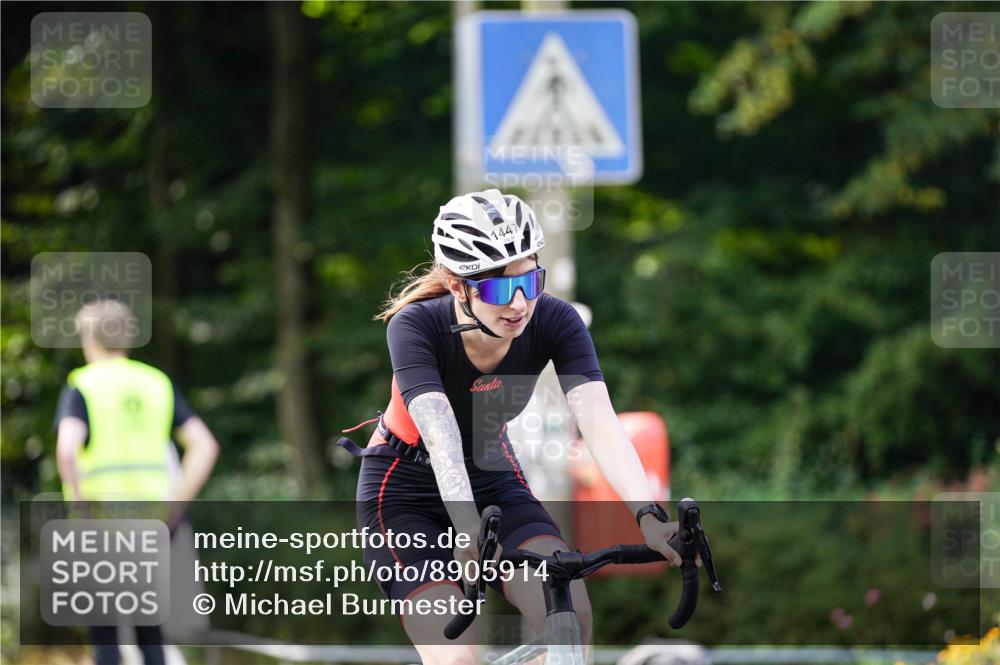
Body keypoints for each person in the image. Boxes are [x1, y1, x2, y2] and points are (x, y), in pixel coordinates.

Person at [341, 189, 682, 665]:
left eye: (532, 280)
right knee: (457, 656)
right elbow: (440, 436)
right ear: (458, 285)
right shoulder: (414, 326)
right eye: (502, 289)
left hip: (489, 472)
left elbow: (599, 421)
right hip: (403, 490)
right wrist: (466, 531)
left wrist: (647, 515)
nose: (521, 304)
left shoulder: (556, 320)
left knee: (570, 614)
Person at [54, 299, 220, 665]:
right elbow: (204, 446)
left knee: (106, 633)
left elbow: (67, 449)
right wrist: (175, 505)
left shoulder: (83, 384)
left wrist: (81, 505)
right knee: (150, 633)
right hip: (152, 524)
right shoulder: (155, 382)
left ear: (89, 339)